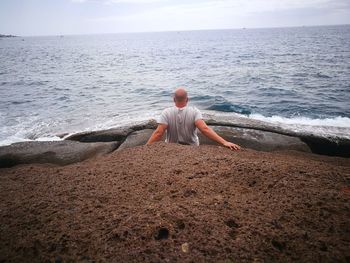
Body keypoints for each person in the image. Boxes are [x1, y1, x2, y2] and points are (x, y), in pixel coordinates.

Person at [147, 87, 241, 150]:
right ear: (187, 99)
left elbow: (158, 133)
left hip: (172, 148)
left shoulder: (166, 112)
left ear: (174, 99)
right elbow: (204, 129)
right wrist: (224, 142)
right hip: (192, 148)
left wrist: (145, 148)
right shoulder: (195, 111)